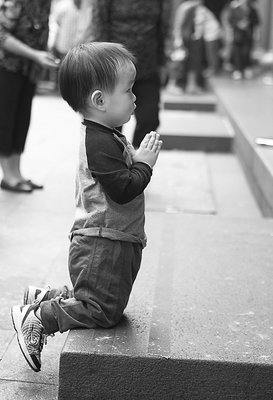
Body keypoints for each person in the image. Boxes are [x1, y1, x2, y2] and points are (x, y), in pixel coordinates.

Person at [11, 41, 162, 372]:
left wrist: (133, 159)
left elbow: (117, 177)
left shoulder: (106, 134)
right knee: (101, 310)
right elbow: (122, 190)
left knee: (106, 303)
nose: (135, 97)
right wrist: (144, 166)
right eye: (129, 90)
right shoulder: (99, 141)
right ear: (99, 100)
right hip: (101, 242)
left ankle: (44, 295)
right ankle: (38, 318)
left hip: (113, 239)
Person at [80, 0, 172, 148]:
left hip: (148, 66)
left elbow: (162, 28)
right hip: (114, 68)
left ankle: (138, 161)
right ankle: (113, 162)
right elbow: (99, 26)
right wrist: (99, 65)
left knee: (150, 118)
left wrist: (162, 62)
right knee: (111, 120)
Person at [0, 0, 59, 193]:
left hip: (30, 70)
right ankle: (8, 175)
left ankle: (16, 173)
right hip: (8, 68)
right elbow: (1, 35)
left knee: (21, 120)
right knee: (6, 120)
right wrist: (34, 54)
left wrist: (41, 56)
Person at [227, 0, 260, 80]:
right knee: (237, 53)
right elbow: (230, 20)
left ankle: (246, 68)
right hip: (238, 34)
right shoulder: (234, 8)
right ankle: (237, 69)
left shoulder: (252, 9)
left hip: (248, 35)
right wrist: (238, 24)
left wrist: (249, 24)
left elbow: (256, 22)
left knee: (247, 52)